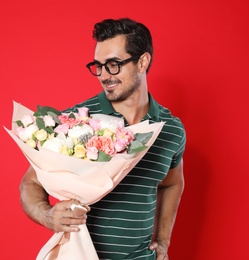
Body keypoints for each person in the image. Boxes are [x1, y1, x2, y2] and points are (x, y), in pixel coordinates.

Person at [20, 18, 186, 259]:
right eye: (98, 66)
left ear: (142, 61)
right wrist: (47, 215)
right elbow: (30, 183)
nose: (104, 75)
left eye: (113, 64)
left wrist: (162, 240)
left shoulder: (171, 129)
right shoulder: (75, 121)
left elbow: (173, 183)